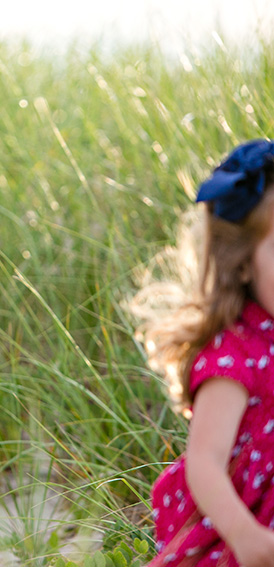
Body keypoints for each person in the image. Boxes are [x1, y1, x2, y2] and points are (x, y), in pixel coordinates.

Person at [139, 140, 274, 566]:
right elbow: (205, 463)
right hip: (244, 534)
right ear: (243, 262)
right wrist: (246, 537)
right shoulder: (235, 354)